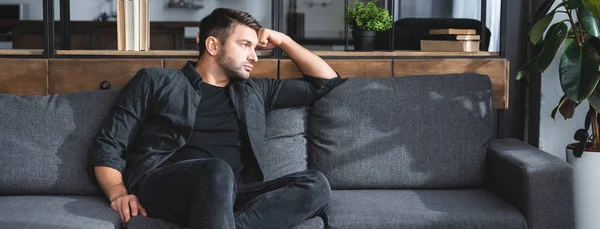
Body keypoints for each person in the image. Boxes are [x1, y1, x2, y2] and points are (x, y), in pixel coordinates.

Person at [88, 7, 345, 229]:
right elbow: (109, 144)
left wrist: (284, 40)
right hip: (164, 186)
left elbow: (325, 83)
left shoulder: (254, 91)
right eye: (245, 45)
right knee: (216, 169)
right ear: (213, 45)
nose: (254, 56)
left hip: (233, 193)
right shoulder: (156, 81)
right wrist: (118, 192)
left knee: (316, 184)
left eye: (255, 48)